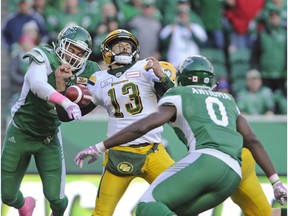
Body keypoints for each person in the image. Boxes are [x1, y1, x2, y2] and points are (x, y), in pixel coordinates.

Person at [74, 55, 287, 215]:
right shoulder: (227, 99)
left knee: (146, 207)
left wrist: (100, 146)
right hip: (237, 166)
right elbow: (252, 139)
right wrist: (276, 182)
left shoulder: (179, 94)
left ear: (182, 78)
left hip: (208, 161)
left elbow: (142, 127)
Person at [58, 29, 176, 216]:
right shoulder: (98, 79)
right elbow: (68, 115)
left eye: (128, 46)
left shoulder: (145, 66)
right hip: (119, 154)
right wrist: (63, 90)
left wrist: (162, 77)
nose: (124, 48)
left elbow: (174, 99)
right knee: (101, 213)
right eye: (119, 45)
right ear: (107, 51)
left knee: (183, 198)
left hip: (154, 152)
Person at [1, 25, 101, 216]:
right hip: (20, 132)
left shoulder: (90, 71)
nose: (73, 56)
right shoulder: (45, 56)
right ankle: (25, 207)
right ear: (60, 45)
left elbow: (103, 93)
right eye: (70, 49)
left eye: (79, 53)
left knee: (57, 200)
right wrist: (66, 102)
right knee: (8, 196)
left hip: (48, 137)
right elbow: (37, 84)